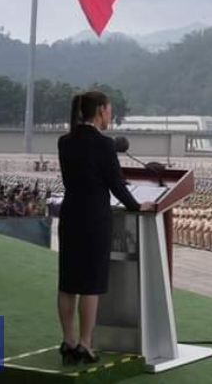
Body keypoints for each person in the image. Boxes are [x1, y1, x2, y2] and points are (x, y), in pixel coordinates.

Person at [57, 91, 155, 365]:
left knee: (67, 283)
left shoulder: (64, 141)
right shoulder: (104, 145)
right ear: (100, 110)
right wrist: (138, 206)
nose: (110, 115)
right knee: (90, 283)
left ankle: (68, 341)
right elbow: (116, 185)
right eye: (110, 110)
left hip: (70, 215)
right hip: (93, 218)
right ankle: (86, 344)